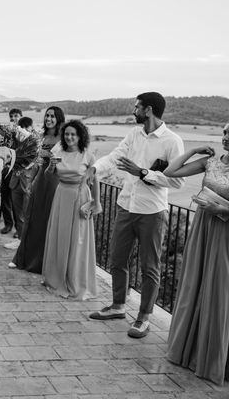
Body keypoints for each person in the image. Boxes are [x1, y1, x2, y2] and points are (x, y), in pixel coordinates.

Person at [86, 92, 184, 338]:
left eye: (137, 107)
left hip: (152, 212)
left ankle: (144, 318)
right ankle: (118, 306)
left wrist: (143, 173)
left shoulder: (172, 141)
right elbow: (115, 157)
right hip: (125, 207)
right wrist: (95, 168)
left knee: (150, 266)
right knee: (117, 259)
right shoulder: (133, 135)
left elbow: (178, 181)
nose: (134, 110)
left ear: (148, 110)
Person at [164, 124, 229, 385]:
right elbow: (171, 171)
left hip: (224, 233)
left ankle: (213, 356)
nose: (225, 138)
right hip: (202, 230)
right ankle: (189, 349)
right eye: (225, 133)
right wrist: (192, 151)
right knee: (195, 284)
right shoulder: (211, 162)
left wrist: (221, 207)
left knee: (219, 290)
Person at [41, 120, 101, 300]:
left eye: (73, 134)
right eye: (66, 134)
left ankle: (75, 281)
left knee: (77, 240)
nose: (69, 137)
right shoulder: (57, 152)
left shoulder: (87, 155)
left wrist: (95, 203)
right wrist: (50, 165)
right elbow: (47, 175)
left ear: (80, 136)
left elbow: (95, 179)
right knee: (60, 235)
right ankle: (57, 277)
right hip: (61, 195)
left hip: (80, 196)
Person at [11, 106, 65, 272]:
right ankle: (23, 258)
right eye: (47, 116)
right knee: (32, 217)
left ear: (59, 118)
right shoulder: (40, 136)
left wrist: (49, 156)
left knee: (49, 219)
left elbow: (67, 159)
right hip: (41, 177)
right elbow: (35, 160)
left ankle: (45, 262)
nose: (49, 119)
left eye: (52, 116)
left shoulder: (63, 137)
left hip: (56, 180)